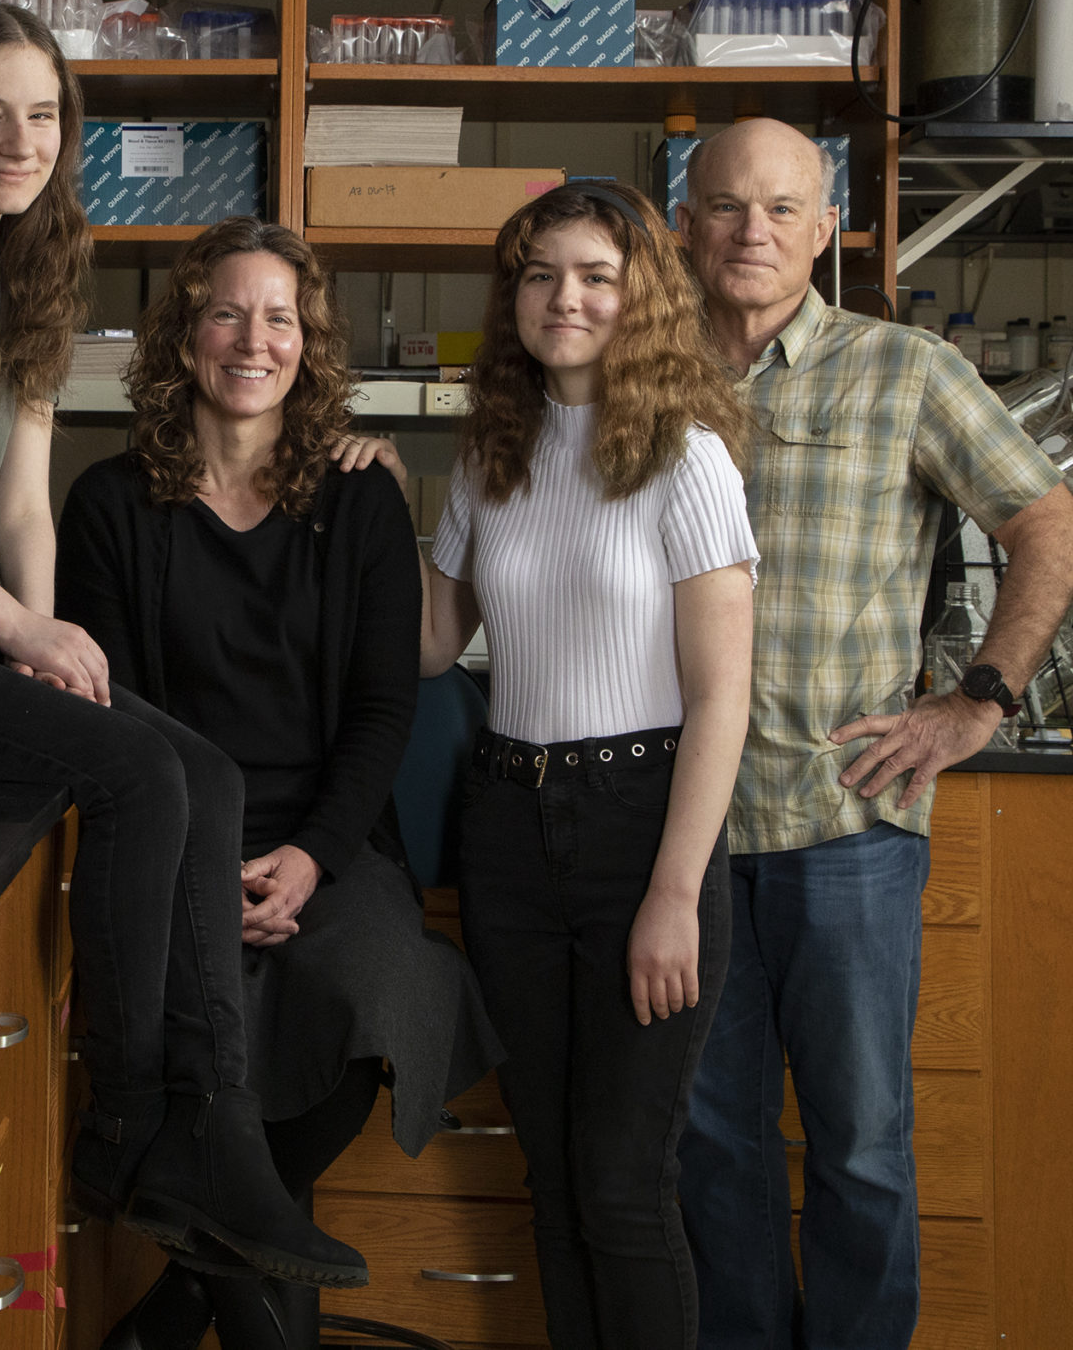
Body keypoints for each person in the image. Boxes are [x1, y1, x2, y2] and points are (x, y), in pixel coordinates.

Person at [0, 1, 365, 1290]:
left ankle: (207, 1133)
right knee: (138, 775)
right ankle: (126, 1123)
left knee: (196, 774)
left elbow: (21, 505)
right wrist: (13, 624)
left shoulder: (35, 270)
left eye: (42, 115)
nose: (19, 140)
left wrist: (42, 635)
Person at [673, 119, 1073, 1350]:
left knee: (857, 1142)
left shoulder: (901, 368)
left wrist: (979, 699)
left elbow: (1049, 524)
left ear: (825, 228)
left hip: (843, 820)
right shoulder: (641, 376)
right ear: (684, 222)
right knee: (712, 1146)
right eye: (727, 206)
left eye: (782, 208)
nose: (753, 231)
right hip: (680, 833)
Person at [59, 219, 502, 1350]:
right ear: (182, 335)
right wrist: (207, 861)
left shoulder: (356, 501)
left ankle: (184, 1271)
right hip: (166, 837)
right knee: (201, 1051)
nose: (253, 341)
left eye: (281, 318)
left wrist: (311, 856)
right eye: (225, 313)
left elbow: (381, 711)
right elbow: (112, 713)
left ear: (310, 342)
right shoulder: (110, 505)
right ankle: (228, 1260)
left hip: (331, 836)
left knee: (371, 997)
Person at [419, 182, 760, 1350]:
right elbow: (425, 639)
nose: (565, 298)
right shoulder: (489, 457)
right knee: (555, 1186)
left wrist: (674, 895)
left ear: (640, 300)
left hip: (639, 831)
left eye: (596, 277)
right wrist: (350, 488)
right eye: (540, 274)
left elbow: (722, 696)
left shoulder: (685, 456)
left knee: (623, 1187)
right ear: (512, 294)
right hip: (509, 831)